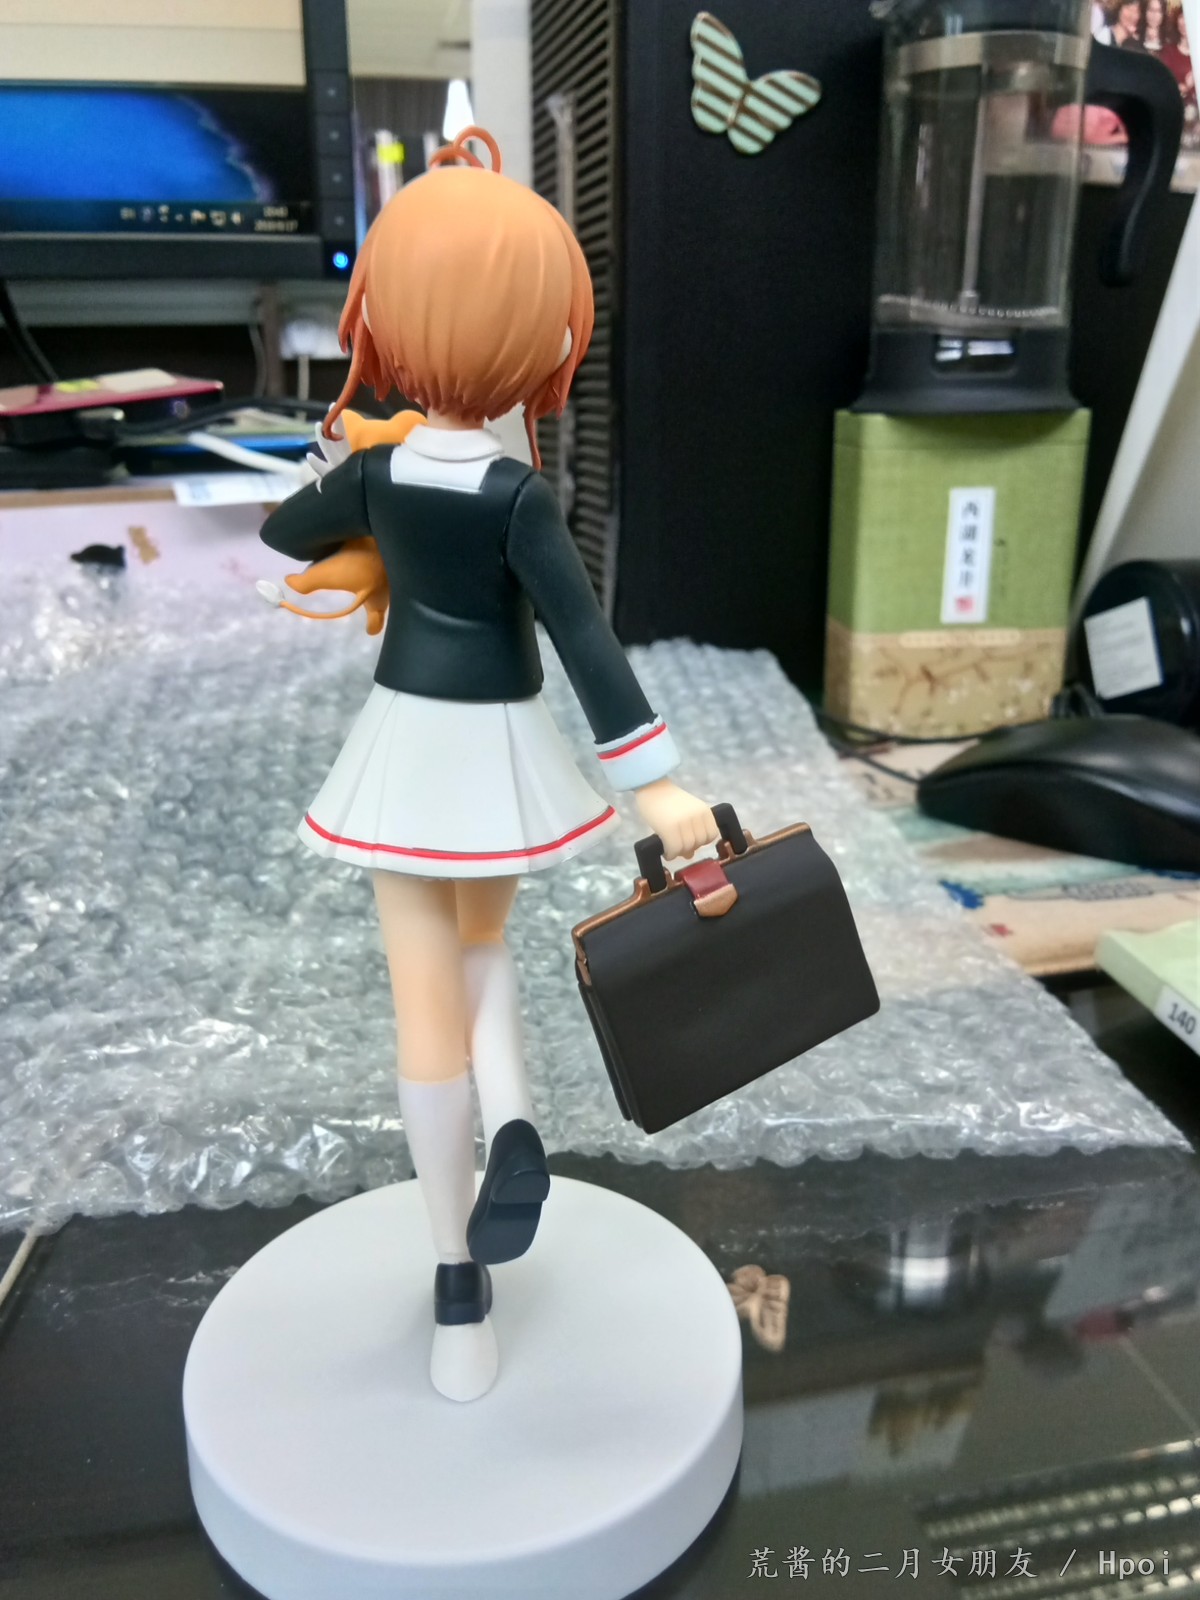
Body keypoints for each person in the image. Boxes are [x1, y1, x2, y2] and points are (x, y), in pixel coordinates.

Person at [259, 127, 719, 1403]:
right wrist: (657, 783)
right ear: (544, 342)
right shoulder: (520, 496)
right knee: (484, 948)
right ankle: (514, 1115)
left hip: (405, 754)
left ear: (387, 320)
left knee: (424, 1004)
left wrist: (348, 463)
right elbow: (587, 642)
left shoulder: (380, 471)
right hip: (502, 755)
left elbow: (284, 527)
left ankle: (457, 1278)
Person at [1162, 5, 1198, 149]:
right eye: (1182, 17)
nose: (1185, 22)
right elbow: (1164, 85)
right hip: (1174, 117)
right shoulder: (1168, 52)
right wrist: (1185, 86)